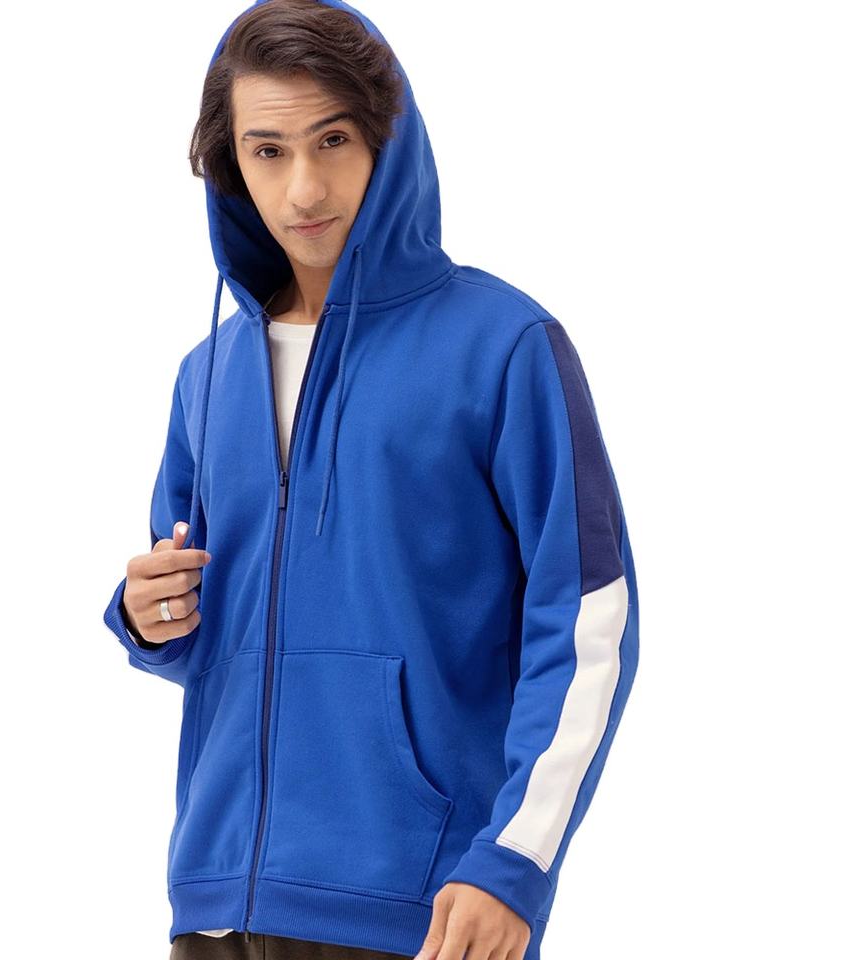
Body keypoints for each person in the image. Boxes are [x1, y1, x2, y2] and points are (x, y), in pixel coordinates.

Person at [102, 2, 641, 960]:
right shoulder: (207, 374)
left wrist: (514, 862)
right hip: (217, 899)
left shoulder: (503, 346)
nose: (304, 187)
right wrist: (150, 617)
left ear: (386, 140)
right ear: (232, 163)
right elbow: (217, 634)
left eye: (333, 140)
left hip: (423, 909)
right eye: (269, 151)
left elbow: (589, 618)